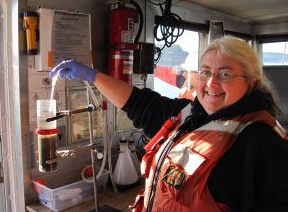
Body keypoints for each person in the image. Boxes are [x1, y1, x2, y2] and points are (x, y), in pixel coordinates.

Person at [50, 36, 288, 212]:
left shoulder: (263, 144)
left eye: (225, 74)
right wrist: (92, 76)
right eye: (205, 72)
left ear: (251, 83)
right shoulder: (188, 115)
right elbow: (139, 102)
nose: (211, 83)